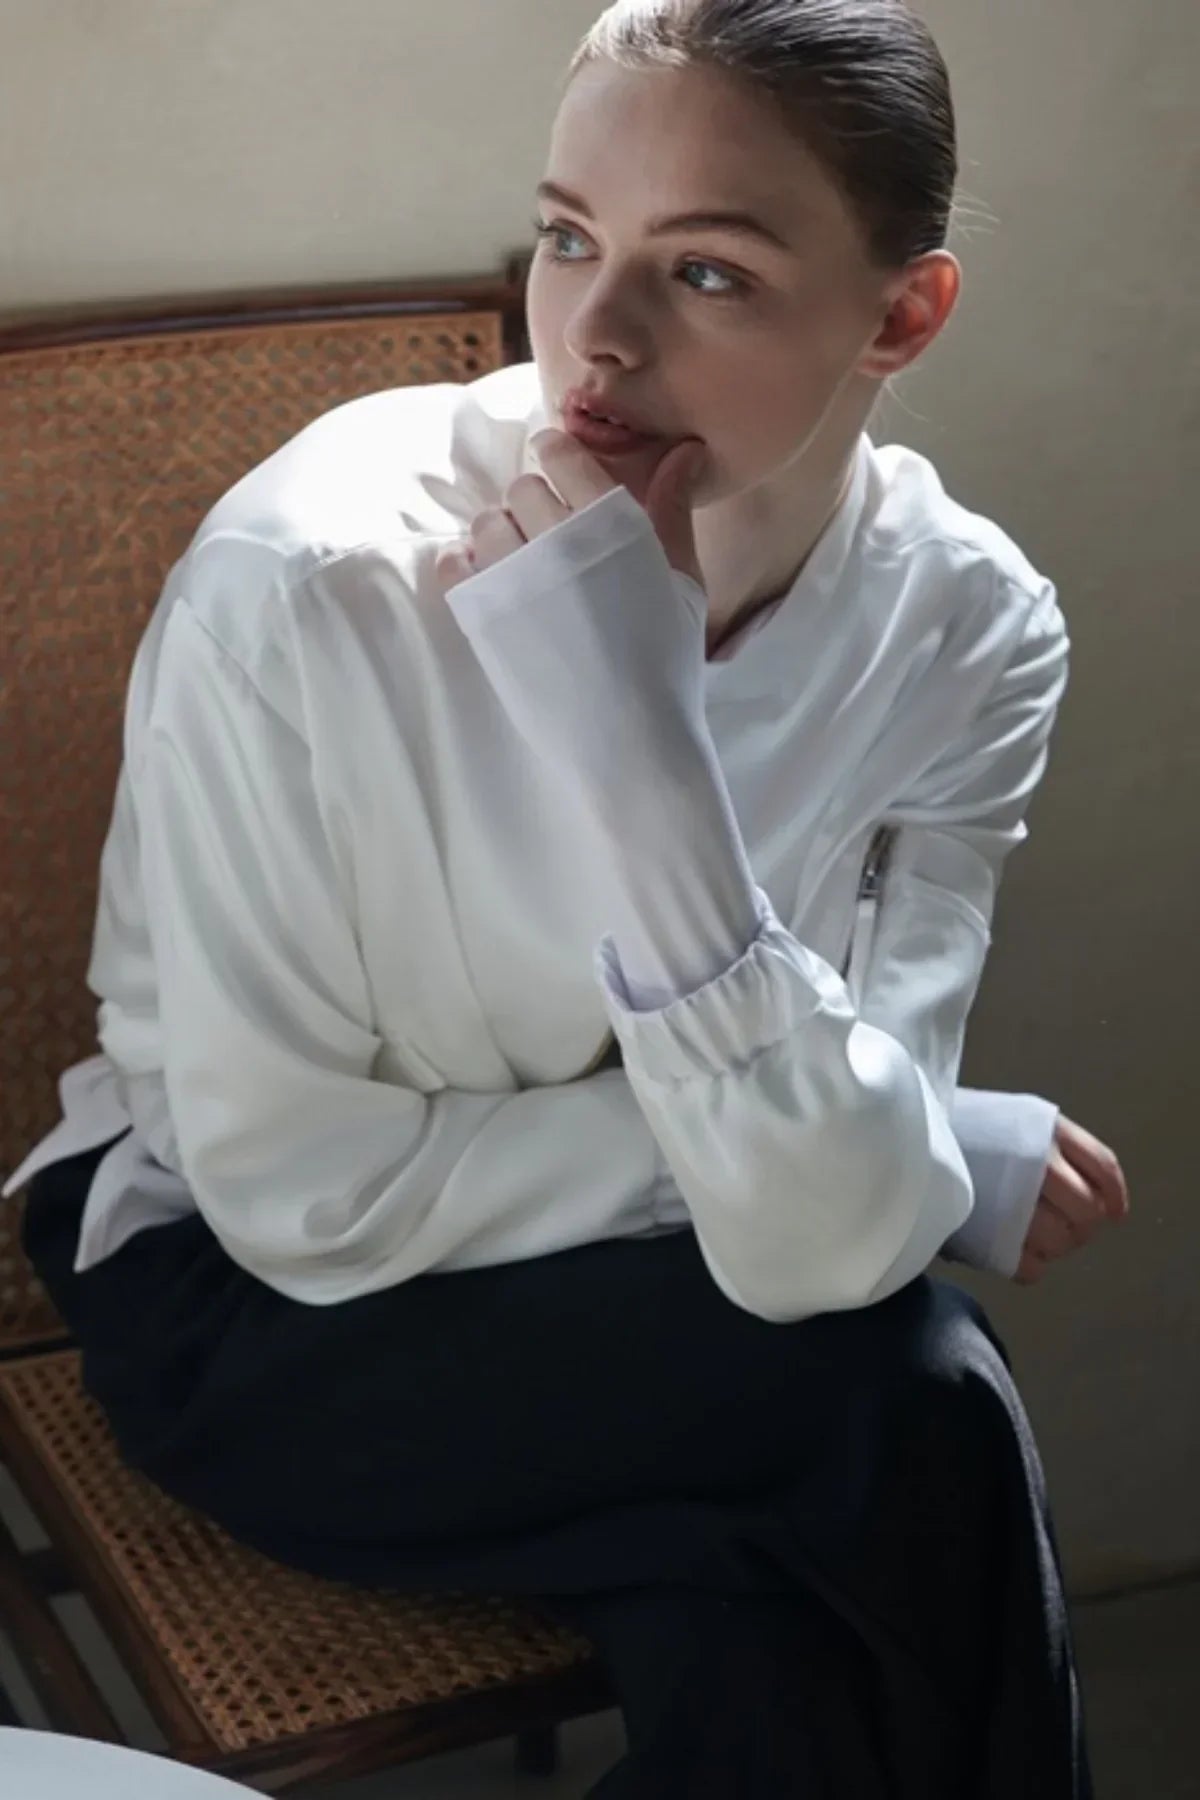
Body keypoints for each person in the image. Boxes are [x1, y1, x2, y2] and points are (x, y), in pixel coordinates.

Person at [6, 1, 1131, 1793]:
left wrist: (638, 748)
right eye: (567, 237)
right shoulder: (310, 589)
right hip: (250, 1306)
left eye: (707, 274)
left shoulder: (967, 629)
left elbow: (825, 1228)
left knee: (806, 1607)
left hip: (706, 1325)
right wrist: (904, 1146)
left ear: (899, 314)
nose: (589, 340)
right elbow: (306, 1193)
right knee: (901, 1401)